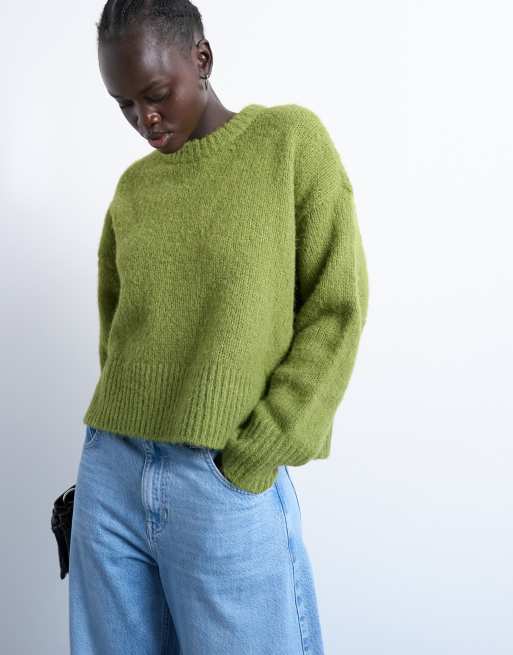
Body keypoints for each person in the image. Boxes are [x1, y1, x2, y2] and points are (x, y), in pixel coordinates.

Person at [68, 1, 369, 653]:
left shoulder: (287, 143)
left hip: (220, 478)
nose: (144, 119)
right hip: (111, 477)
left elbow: (335, 305)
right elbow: (117, 331)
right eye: (124, 105)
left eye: (155, 95)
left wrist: (261, 448)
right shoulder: (133, 190)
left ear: (201, 58)